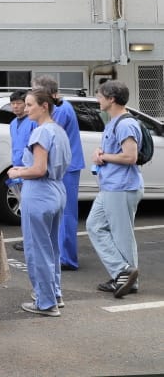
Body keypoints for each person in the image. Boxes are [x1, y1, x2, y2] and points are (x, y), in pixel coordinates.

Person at [7, 89, 71, 316]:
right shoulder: (59, 131)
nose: (26, 109)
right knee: (51, 247)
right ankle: (55, 294)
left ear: (44, 106)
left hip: (40, 193)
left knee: (37, 249)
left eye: (30, 104)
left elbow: (39, 169)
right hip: (57, 190)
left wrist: (17, 172)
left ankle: (46, 302)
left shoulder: (41, 133)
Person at [87, 80, 143, 298]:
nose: (97, 100)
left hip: (122, 187)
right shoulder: (113, 122)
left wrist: (103, 157)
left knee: (122, 236)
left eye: (100, 96)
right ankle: (123, 272)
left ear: (111, 99)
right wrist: (103, 153)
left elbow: (131, 156)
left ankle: (126, 276)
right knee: (94, 226)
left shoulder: (125, 124)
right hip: (112, 186)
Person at [32, 75, 85, 271]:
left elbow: (50, 135)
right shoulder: (62, 107)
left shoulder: (60, 110)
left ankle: (67, 258)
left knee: (67, 213)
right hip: (65, 167)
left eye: (35, 91)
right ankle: (61, 253)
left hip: (66, 168)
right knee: (60, 212)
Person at [9, 90, 37, 252]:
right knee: (23, 207)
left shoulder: (32, 122)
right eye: (13, 104)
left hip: (30, 170)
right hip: (17, 170)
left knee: (30, 208)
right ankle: (27, 240)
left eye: (19, 103)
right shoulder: (13, 123)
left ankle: (32, 241)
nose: (16, 106)